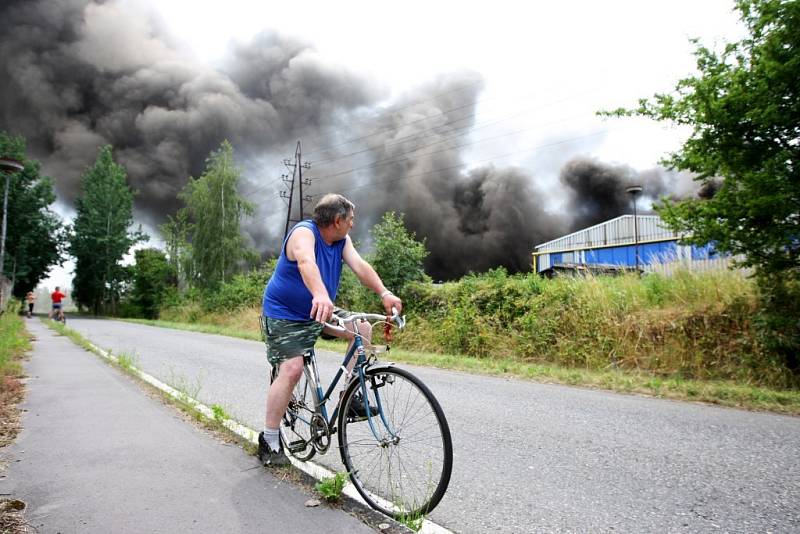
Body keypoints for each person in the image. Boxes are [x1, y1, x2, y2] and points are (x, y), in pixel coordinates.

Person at [259, 193, 402, 466]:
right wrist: (320, 294)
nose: (352, 225)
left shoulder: (341, 241)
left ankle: (350, 395)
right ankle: (269, 438)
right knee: (292, 369)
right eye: (350, 220)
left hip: (318, 309)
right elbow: (306, 262)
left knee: (362, 329)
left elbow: (360, 266)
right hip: (285, 315)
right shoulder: (304, 234)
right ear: (337, 220)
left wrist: (384, 292)